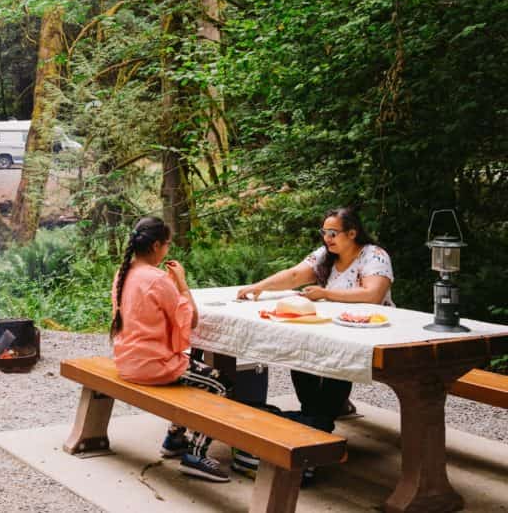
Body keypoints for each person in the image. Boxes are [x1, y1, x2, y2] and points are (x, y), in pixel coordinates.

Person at [235, 207, 394, 483]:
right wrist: (258, 287)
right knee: (299, 352)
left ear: (352, 233)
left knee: (338, 365)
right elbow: (295, 275)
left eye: (333, 233)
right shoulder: (325, 256)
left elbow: (373, 294)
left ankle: (314, 425)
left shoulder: (374, 255)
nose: (327, 238)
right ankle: (313, 423)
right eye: (324, 233)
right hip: (330, 328)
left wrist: (325, 293)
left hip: (371, 329)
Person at [111, 216, 233, 483]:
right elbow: (191, 321)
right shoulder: (157, 279)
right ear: (156, 246)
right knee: (220, 385)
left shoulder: (123, 273)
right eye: (167, 244)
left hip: (127, 360)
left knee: (194, 375)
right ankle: (196, 455)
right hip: (152, 364)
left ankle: (174, 439)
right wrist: (181, 283)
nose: (168, 250)